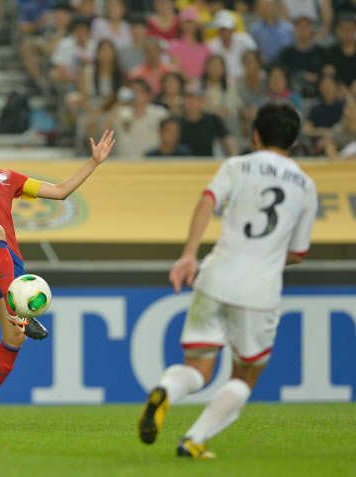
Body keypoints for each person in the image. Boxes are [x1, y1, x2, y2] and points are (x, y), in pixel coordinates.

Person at [137, 101, 318, 459]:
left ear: (255, 134)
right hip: (259, 290)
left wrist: (189, 254)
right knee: (245, 374)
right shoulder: (306, 186)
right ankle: (194, 439)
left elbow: (207, 201)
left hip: (214, 276)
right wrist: (268, 250)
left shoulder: (237, 165)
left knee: (198, 368)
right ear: (295, 140)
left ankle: (166, 390)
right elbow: (298, 252)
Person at [0, 107, 115, 428]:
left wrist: (94, 162)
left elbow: (59, 192)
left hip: (8, 262)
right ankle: (20, 313)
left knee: (14, 339)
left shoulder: (9, 177)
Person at [105, 79, 168, 157]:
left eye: (138, 91)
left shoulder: (160, 113)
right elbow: (105, 130)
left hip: (152, 162)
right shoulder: (121, 112)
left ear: (148, 95)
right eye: (132, 91)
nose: (135, 94)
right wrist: (119, 102)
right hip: (125, 162)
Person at [179, 84, 238, 157]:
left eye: (195, 98)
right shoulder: (177, 122)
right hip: (182, 163)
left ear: (202, 101)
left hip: (207, 162)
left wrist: (234, 158)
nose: (191, 102)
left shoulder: (212, 119)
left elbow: (227, 138)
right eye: (188, 99)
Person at [277, 14, 324, 98]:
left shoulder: (321, 52)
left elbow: (326, 72)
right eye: (299, 27)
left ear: (311, 29)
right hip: (292, 94)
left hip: (317, 94)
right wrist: (301, 75)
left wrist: (317, 77)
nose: (302, 30)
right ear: (294, 30)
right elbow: (282, 74)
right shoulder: (286, 53)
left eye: (305, 26)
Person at [208, 10, 258, 79]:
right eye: (222, 29)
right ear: (217, 30)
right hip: (224, 83)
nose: (224, 32)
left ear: (233, 29)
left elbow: (256, 59)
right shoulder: (212, 46)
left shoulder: (245, 40)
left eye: (227, 29)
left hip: (244, 80)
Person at [168, 6, 210, 81]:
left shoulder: (205, 46)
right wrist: (191, 80)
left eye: (191, 22)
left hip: (202, 84)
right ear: (181, 24)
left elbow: (207, 68)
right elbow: (175, 68)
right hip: (182, 84)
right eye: (186, 22)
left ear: (197, 24)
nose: (189, 25)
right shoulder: (174, 44)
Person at [248, 0, 294, 65]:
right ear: (258, 9)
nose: (267, 9)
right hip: (266, 66)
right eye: (264, 6)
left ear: (275, 7)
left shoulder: (288, 27)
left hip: (288, 65)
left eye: (269, 5)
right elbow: (253, 52)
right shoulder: (253, 30)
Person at [323, 12, 356, 89]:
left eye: (349, 29)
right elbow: (328, 73)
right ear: (337, 30)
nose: (346, 32)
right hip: (338, 92)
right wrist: (339, 86)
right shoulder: (331, 52)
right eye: (343, 29)